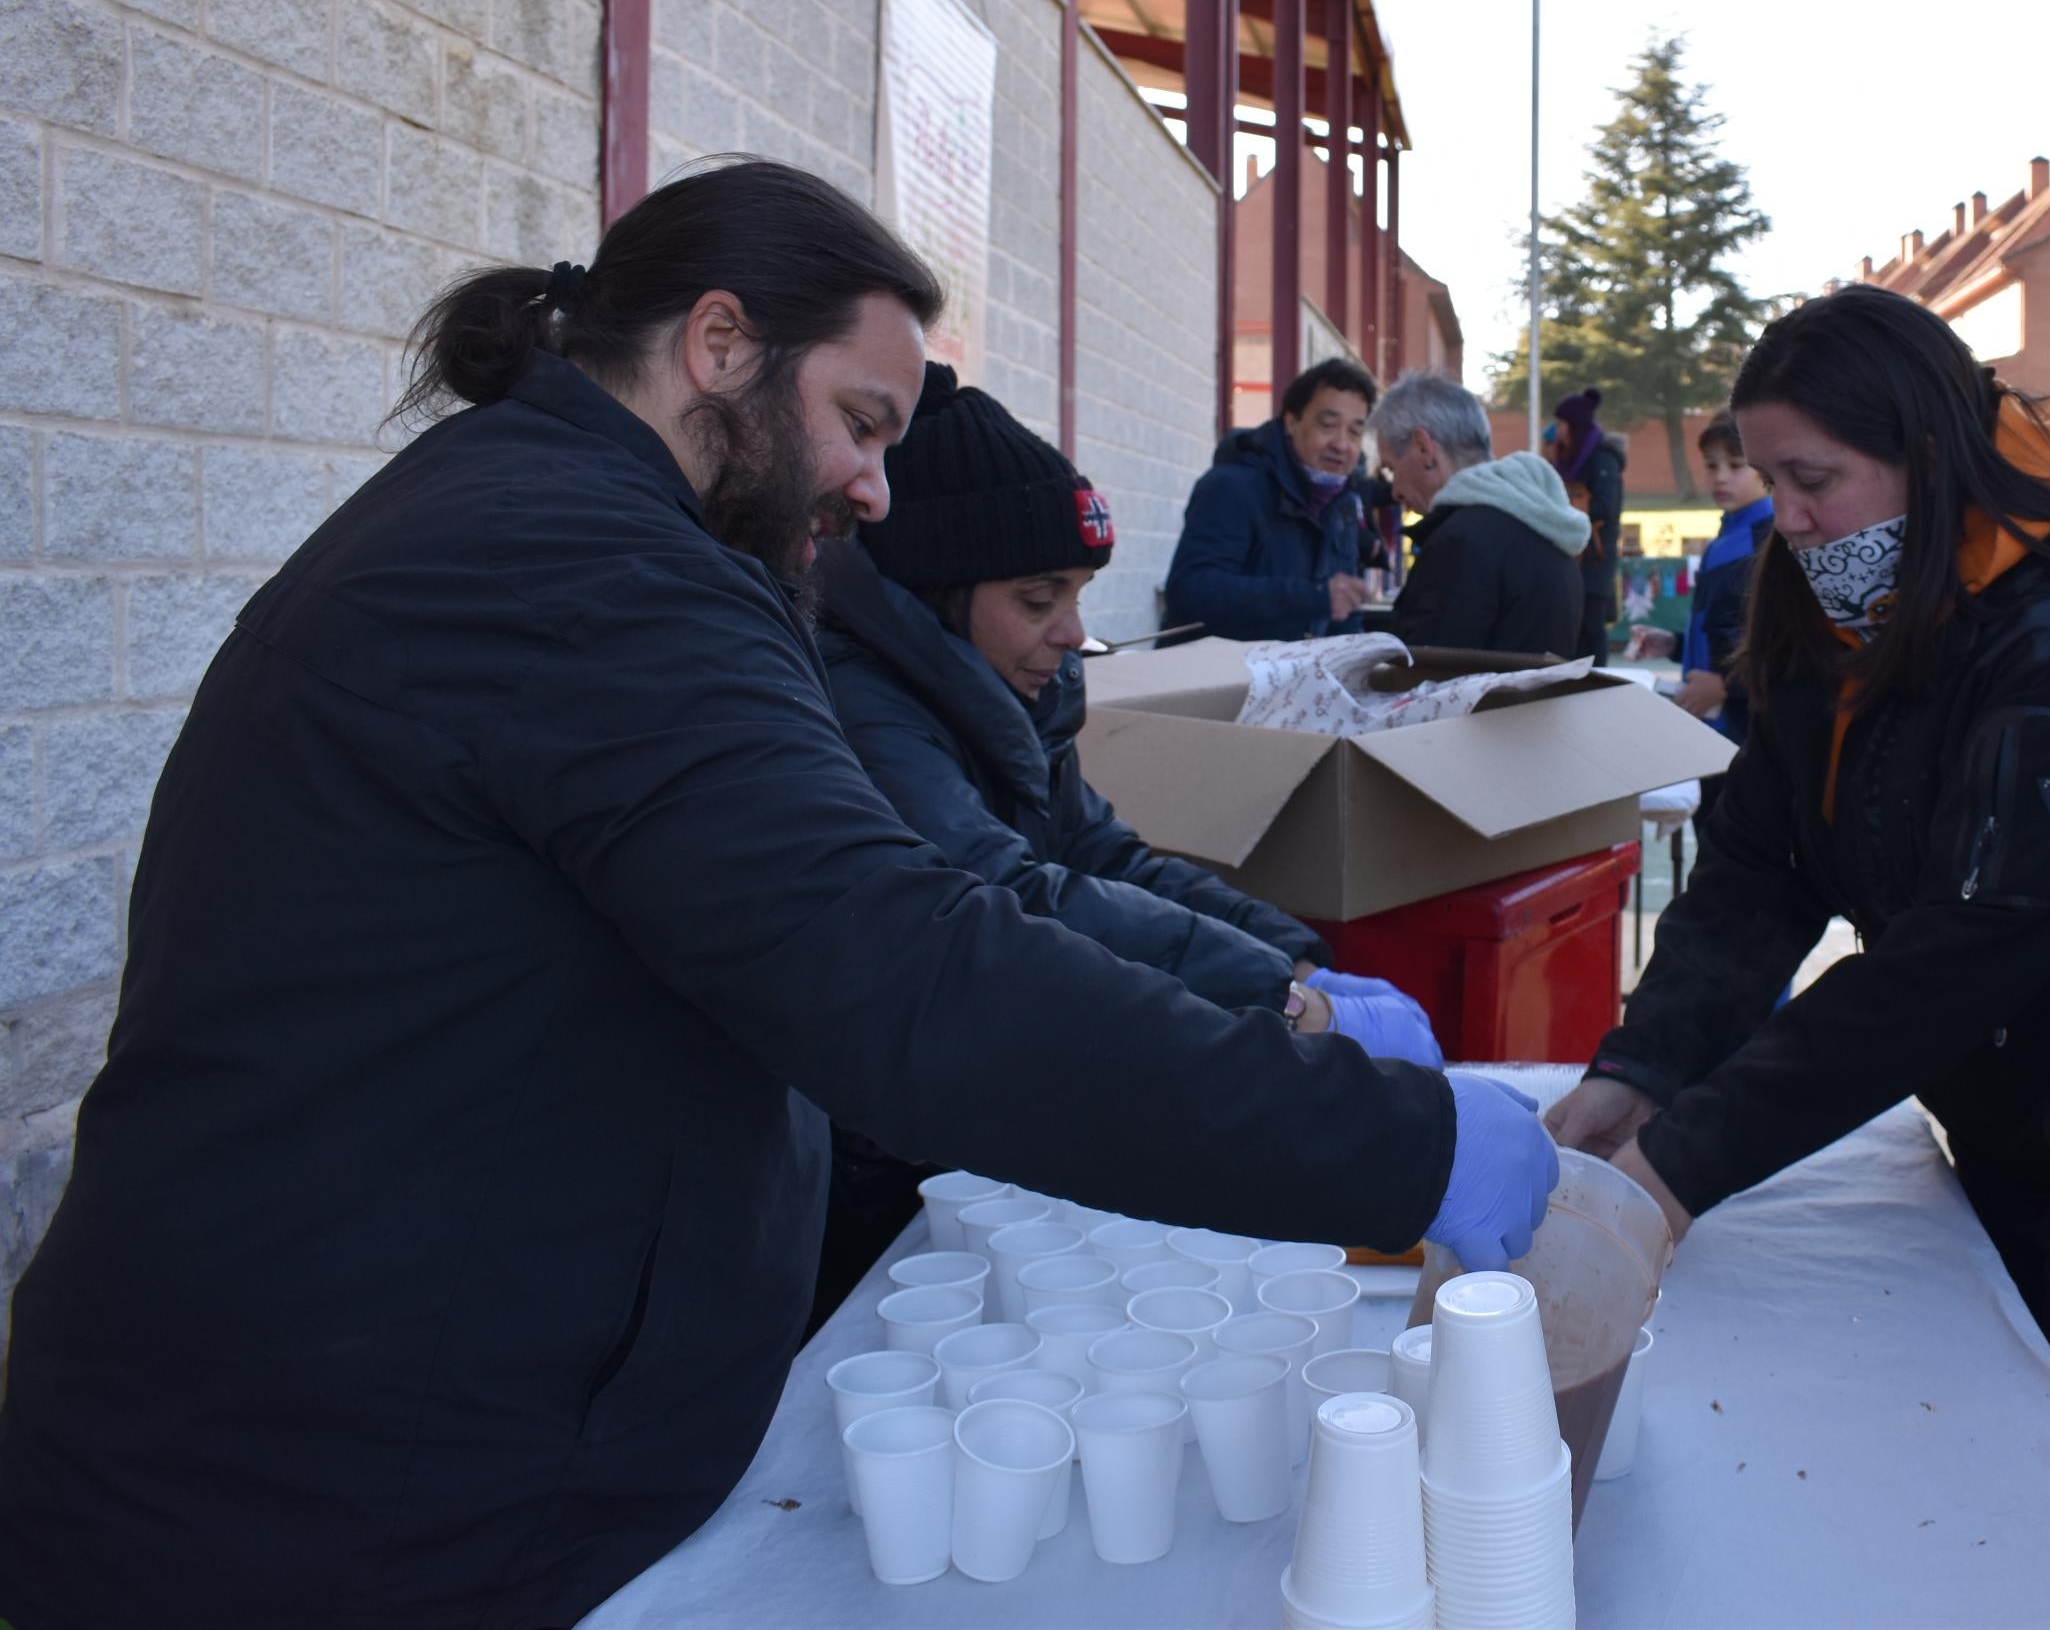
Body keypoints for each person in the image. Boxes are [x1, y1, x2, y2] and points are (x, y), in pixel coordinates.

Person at [0, 160, 1558, 1630]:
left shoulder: (581, 536)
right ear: (720, 344)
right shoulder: (577, 569)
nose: (877, 490)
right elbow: (903, 970)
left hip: (396, 1425)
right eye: (860, 424)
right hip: (322, 1488)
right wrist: (1389, 1145)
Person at [1545, 286, 2050, 1626]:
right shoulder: (1834, 599)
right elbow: (1759, 865)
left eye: (1814, 479)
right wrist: (1639, 1071)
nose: (1788, 515)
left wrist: (1680, 1165)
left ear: (1928, 458)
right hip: (1990, 1141)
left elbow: (1963, 954)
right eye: (1769, 479)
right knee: (1970, 1531)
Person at [808, 363, 1448, 1319]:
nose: (1073, 632)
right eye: (1037, 600)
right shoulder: (867, 709)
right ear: (938, 594)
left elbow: (1103, 855)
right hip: (866, 1174)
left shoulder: (1014, 691)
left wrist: (1291, 952)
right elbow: (1012, 891)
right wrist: (1273, 995)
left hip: (970, 1124)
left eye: (1077, 594)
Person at [1368, 371, 1589, 657]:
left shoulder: (1460, 543)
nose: (1395, 490)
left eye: (1391, 468)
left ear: (1424, 448)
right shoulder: (1542, 524)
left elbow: (1425, 680)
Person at [1166, 357, 1378, 641]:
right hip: (1214, 679)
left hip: (1295, 680)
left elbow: (1342, 614)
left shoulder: (1343, 504)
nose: (1342, 444)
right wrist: (1313, 597)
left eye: (1354, 432)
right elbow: (1190, 592)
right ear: (1291, 422)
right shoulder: (1231, 487)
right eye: (1328, 425)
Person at [1670, 410, 1772, 737]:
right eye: (1712, 465)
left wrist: (1729, 687)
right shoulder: (1726, 537)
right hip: (1713, 726)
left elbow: (1786, 642)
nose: (1720, 477)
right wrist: (1674, 645)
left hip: (1749, 730)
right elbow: (1722, 629)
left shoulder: (1773, 540)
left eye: (1736, 464)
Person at [1547, 386, 1629, 659]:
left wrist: (1568, 505)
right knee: (1572, 629)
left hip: (1594, 560)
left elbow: (1606, 506)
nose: (1557, 430)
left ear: (1574, 426)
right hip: (1572, 557)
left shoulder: (1603, 459)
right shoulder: (1569, 459)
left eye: (1562, 423)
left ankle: (1596, 682)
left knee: (1592, 629)